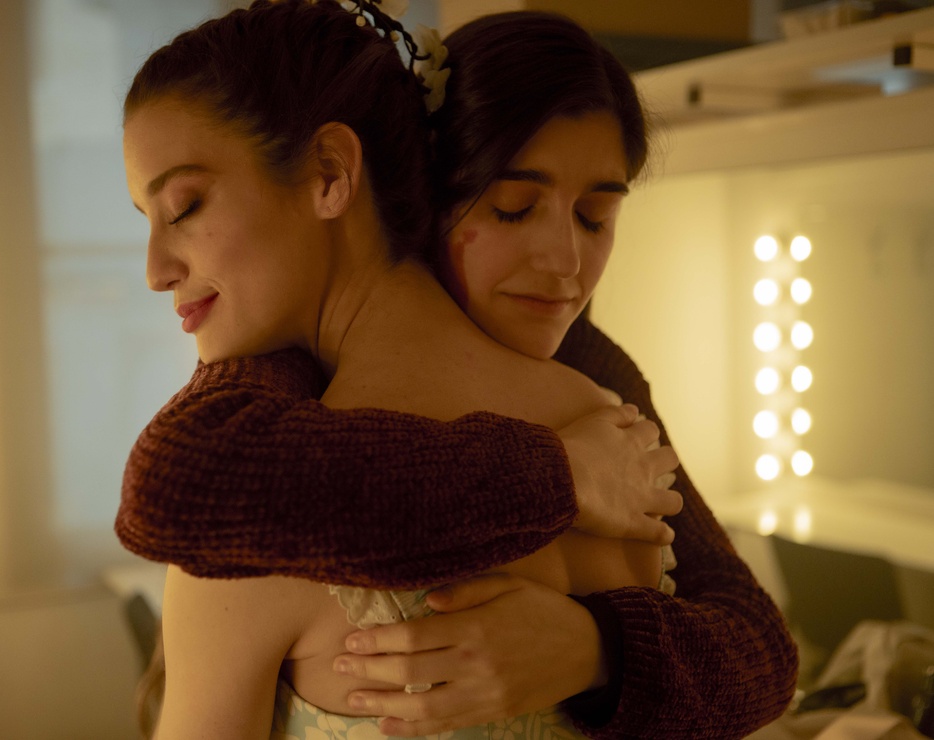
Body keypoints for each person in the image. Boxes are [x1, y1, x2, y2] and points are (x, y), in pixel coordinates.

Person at [117, 2, 798, 738]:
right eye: (512, 208)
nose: (565, 262)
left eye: (184, 207)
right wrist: (561, 474)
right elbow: (180, 475)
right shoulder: (603, 420)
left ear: (334, 174)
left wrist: (597, 649)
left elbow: (758, 646)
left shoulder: (247, 538)